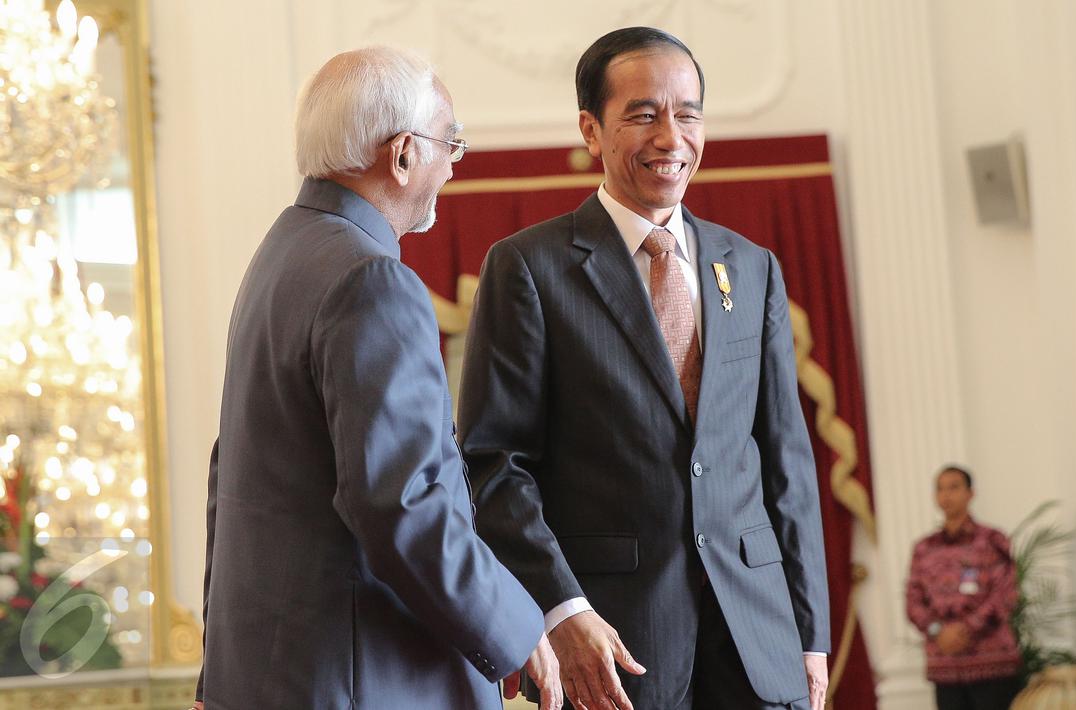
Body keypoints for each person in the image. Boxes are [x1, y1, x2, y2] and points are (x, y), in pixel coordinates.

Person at [459, 26, 831, 710]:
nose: (670, 137)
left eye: (687, 114)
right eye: (642, 115)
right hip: (614, 642)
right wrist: (561, 610)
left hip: (758, 639)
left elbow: (787, 464)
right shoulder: (529, 268)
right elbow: (493, 464)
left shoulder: (750, 267)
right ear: (590, 131)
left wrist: (810, 638)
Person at [192, 47, 562, 710]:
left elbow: (231, 478)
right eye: (449, 143)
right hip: (362, 681)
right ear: (402, 154)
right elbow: (404, 504)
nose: (453, 164)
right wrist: (517, 627)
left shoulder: (279, 254)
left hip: (267, 679)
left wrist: (216, 669)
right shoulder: (371, 279)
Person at [906, 465, 1023, 710]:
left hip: (992, 664)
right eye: (940, 489)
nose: (946, 495)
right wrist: (939, 631)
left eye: (954, 487)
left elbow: (1005, 594)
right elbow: (913, 602)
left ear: (970, 493)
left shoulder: (992, 540)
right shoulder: (924, 549)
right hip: (945, 667)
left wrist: (965, 629)